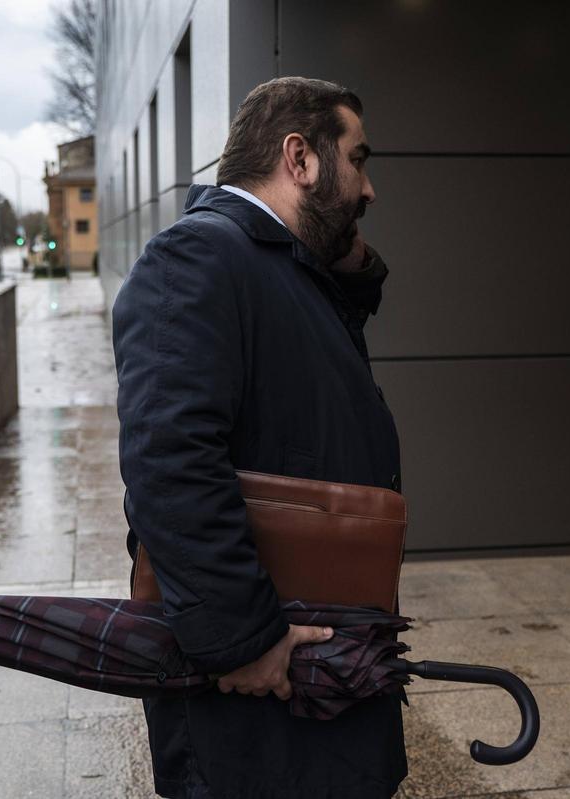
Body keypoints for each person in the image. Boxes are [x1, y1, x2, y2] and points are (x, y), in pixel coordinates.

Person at [113, 77, 404, 798]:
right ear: (299, 158)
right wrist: (245, 641)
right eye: (358, 159)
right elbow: (168, 460)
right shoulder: (197, 257)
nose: (369, 189)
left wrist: (347, 263)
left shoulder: (274, 264)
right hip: (254, 708)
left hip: (310, 681)